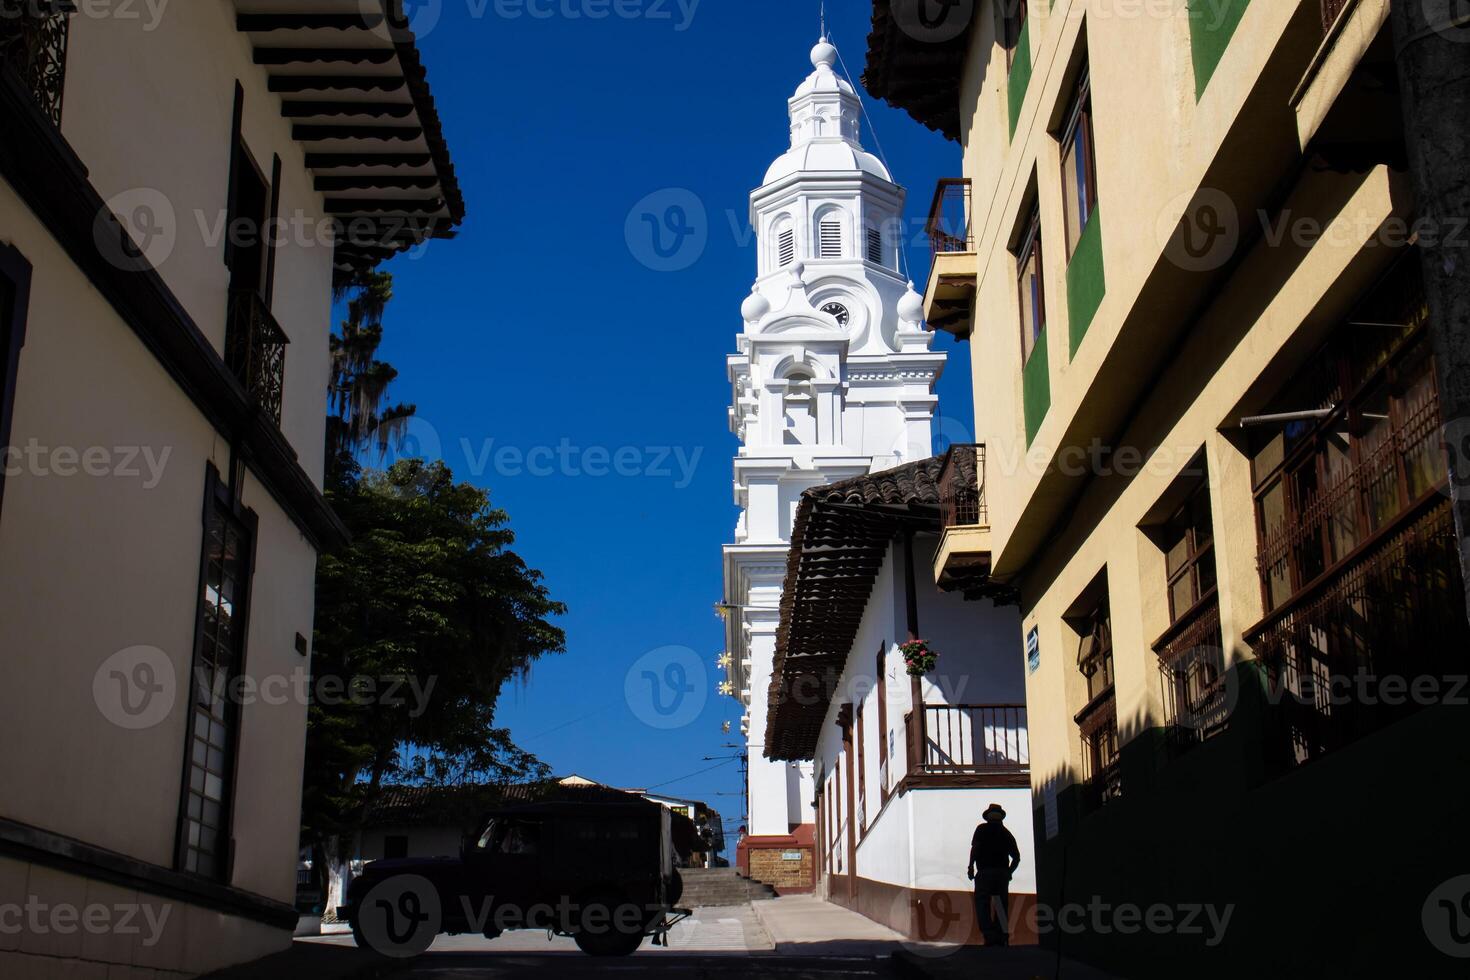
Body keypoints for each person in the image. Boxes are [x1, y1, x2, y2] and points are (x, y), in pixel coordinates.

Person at [967, 803, 1021, 946]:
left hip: (984, 873)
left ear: (988, 818)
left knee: (982, 903)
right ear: (1001, 818)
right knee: (1001, 905)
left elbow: (975, 849)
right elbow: (1016, 857)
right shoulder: (1006, 833)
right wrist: (1009, 872)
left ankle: (989, 934)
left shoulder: (981, 829)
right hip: (1001, 875)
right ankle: (1002, 935)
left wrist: (971, 867)